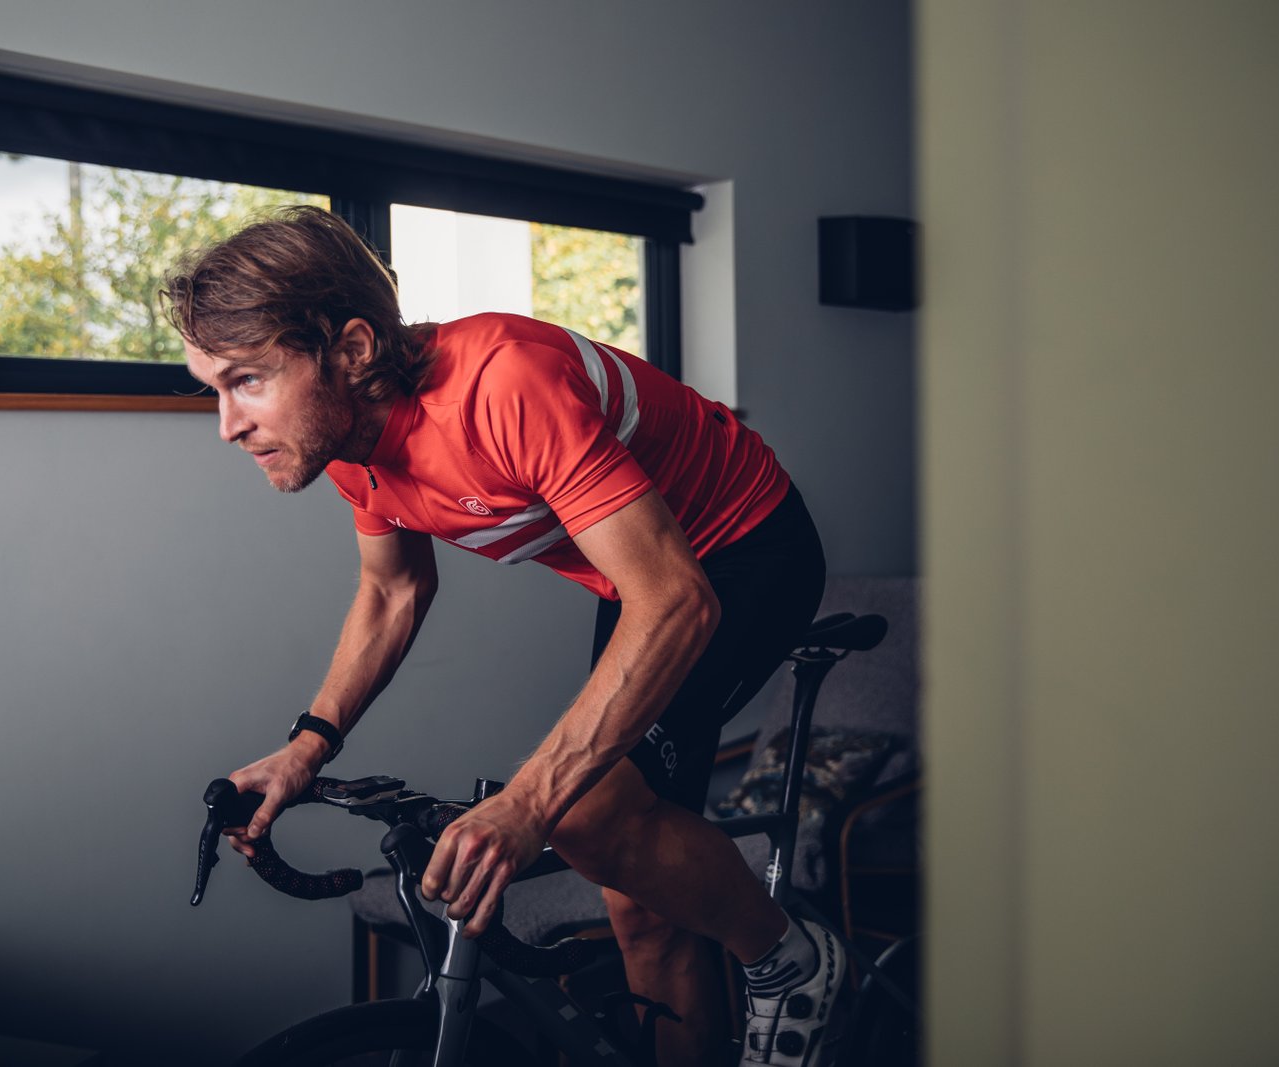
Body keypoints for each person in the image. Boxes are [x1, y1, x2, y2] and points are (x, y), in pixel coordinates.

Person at [162, 205, 849, 1065]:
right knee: (636, 893)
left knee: (584, 818)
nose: (227, 423)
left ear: (351, 350)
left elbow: (674, 600)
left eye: (246, 381)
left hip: (740, 550)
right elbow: (393, 589)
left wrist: (526, 804)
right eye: (212, 389)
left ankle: (790, 959)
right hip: (637, 573)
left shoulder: (502, 384)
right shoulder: (347, 439)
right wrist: (307, 746)